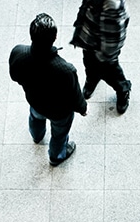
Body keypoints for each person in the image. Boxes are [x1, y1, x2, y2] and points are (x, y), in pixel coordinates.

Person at [9, 13, 88, 166]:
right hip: (59, 112)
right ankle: (56, 156)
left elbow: (14, 76)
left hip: (35, 101)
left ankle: (37, 136)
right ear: (55, 37)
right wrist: (83, 108)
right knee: (59, 134)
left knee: (35, 118)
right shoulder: (65, 70)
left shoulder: (18, 53)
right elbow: (74, 95)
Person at [71, 0, 132, 114]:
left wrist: (105, 57)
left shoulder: (112, 4)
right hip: (90, 38)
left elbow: (114, 36)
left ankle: (123, 89)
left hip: (104, 49)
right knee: (89, 64)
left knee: (111, 72)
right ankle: (92, 79)